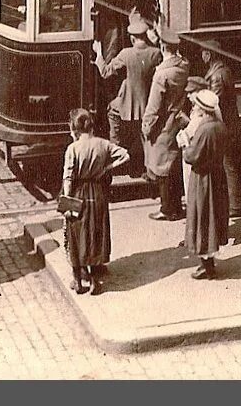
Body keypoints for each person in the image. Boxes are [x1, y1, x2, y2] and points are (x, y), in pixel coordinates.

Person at [61, 108, 130, 295]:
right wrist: (107, 167)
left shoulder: (72, 149)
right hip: (98, 193)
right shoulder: (103, 144)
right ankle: (93, 276)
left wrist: (67, 202)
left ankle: (79, 280)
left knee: (76, 234)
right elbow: (125, 155)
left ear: (74, 128)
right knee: (94, 232)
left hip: (78, 193)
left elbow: (68, 177)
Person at [97, 17, 161, 175]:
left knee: (111, 112)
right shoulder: (155, 53)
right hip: (147, 103)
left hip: (127, 105)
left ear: (132, 38)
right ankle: (150, 170)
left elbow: (105, 72)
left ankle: (115, 151)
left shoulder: (126, 54)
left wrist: (98, 53)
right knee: (146, 137)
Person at [181, 89, 230, 279]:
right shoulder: (220, 126)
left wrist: (186, 143)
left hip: (203, 179)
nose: (193, 109)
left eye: (195, 106)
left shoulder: (204, 129)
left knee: (202, 217)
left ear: (202, 110)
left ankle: (207, 266)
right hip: (217, 176)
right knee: (213, 217)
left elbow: (192, 156)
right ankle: (209, 263)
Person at [142, 31, 192, 220]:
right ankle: (176, 205)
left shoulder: (161, 74)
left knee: (162, 164)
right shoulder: (183, 66)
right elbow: (175, 54)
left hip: (163, 122)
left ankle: (167, 209)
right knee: (173, 161)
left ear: (162, 47)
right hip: (177, 118)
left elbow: (154, 106)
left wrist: (146, 126)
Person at [200, 46, 241, 217]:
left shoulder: (217, 76)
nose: (202, 56)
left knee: (228, 165)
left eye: (203, 53)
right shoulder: (222, 70)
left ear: (208, 54)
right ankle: (234, 203)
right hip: (230, 123)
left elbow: (213, 101)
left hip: (224, 124)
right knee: (229, 165)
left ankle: (235, 205)